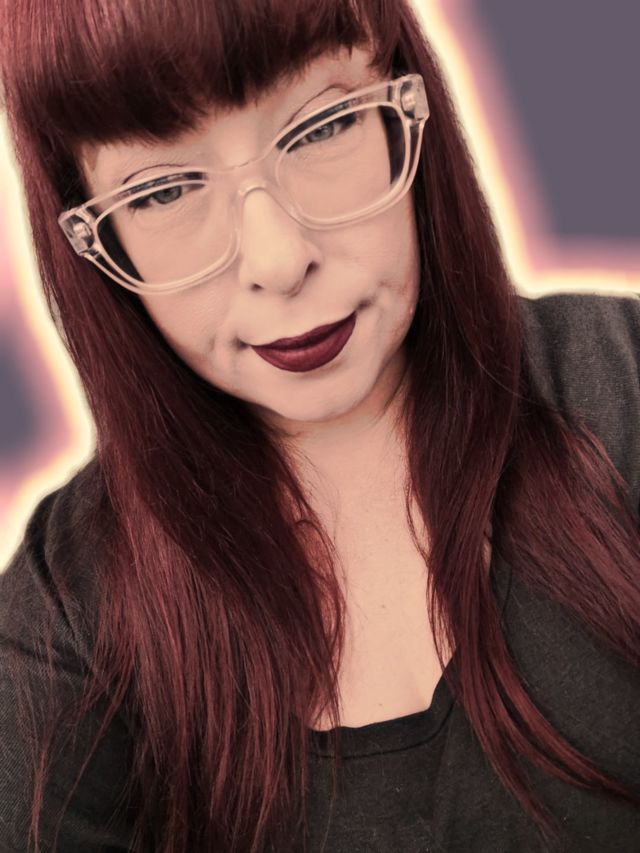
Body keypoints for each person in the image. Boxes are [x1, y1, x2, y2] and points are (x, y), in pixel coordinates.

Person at [0, 0, 639, 851]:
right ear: (93, 232)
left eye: (323, 127)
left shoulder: (621, 386)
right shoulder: (66, 616)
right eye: (164, 190)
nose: (279, 259)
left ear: (404, 104)